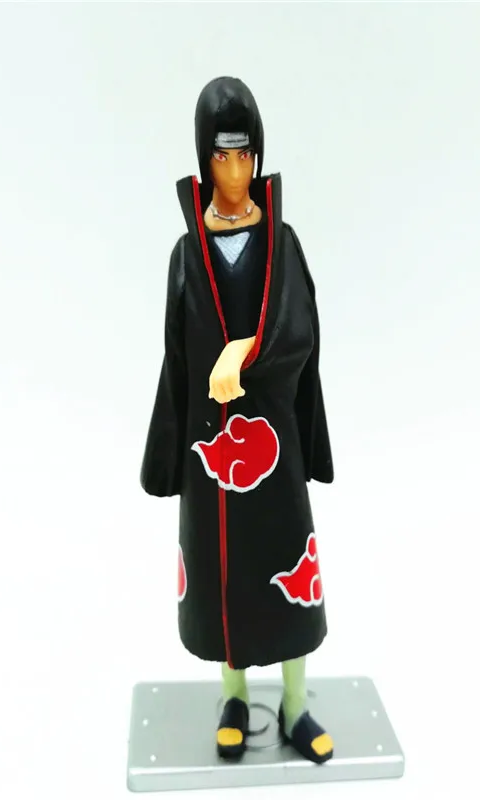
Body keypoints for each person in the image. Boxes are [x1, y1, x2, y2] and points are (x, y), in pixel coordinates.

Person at [140, 76, 335, 764]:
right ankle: (232, 694)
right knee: (223, 574)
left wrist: (245, 352)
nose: (234, 169)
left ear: (258, 156)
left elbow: (301, 329)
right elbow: (175, 356)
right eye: (221, 156)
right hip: (209, 447)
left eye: (245, 154)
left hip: (272, 442)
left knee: (287, 565)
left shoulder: (282, 242)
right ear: (204, 159)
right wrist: (166, 451)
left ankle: (295, 703)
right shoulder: (187, 254)